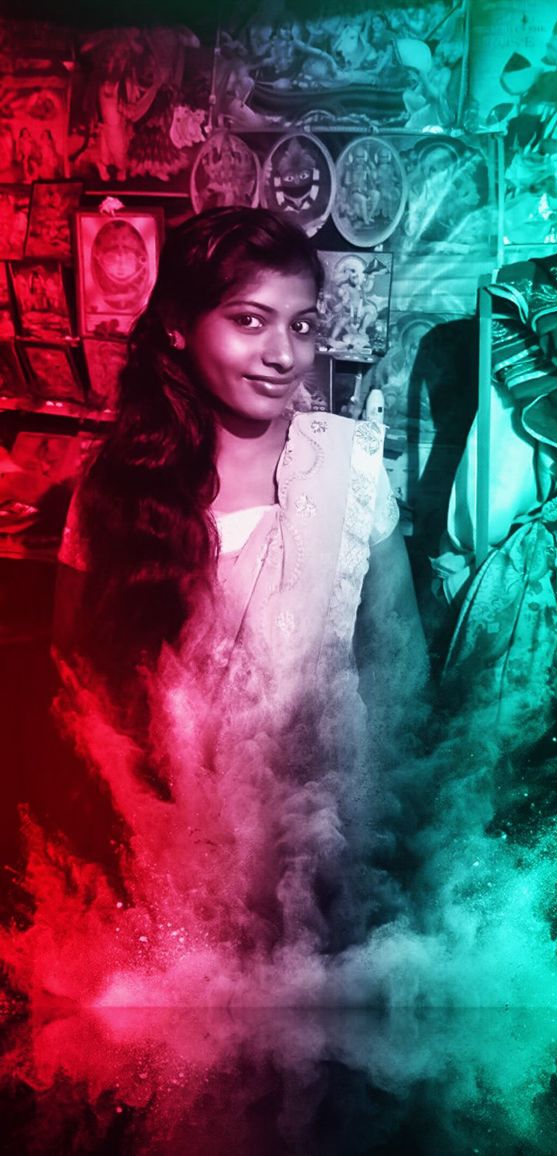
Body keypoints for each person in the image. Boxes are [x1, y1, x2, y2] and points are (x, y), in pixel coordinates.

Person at [52, 207, 427, 959]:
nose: (282, 354)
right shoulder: (116, 487)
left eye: (302, 325)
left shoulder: (348, 466)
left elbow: (399, 665)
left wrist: (386, 833)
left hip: (325, 846)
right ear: (178, 326)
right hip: (163, 855)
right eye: (249, 320)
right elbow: (76, 680)